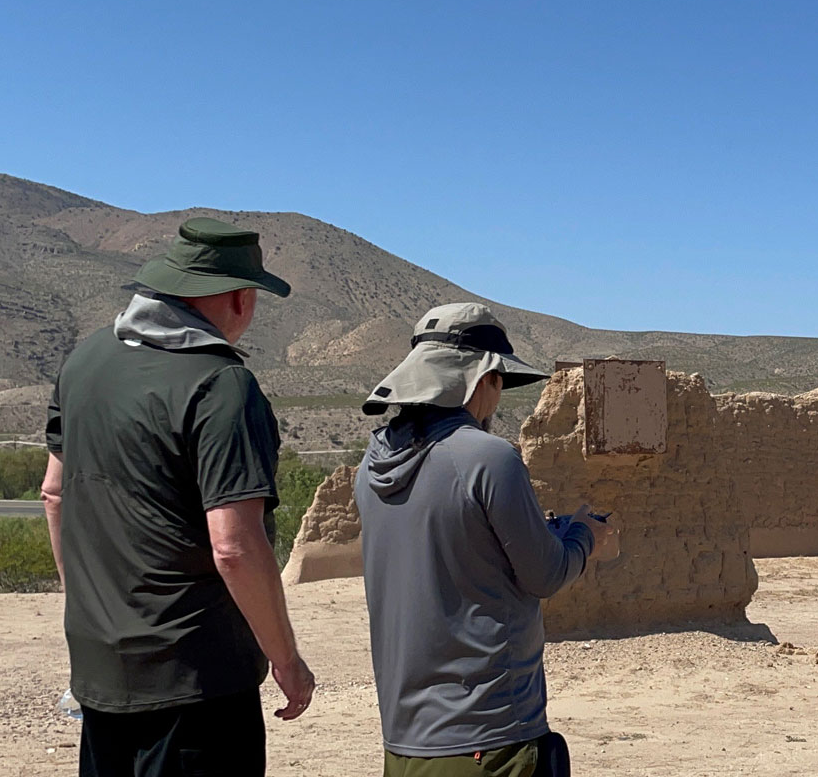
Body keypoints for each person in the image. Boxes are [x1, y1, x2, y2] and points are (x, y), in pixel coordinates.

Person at [42, 217, 315, 777]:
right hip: (197, 681)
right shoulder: (220, 385)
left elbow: (53, 494)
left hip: (99, 668)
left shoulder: (85, 361)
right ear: (240, 298)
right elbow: (235, 547)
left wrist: (92, 605)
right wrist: (285, 659)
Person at [356, 302, 621, 777]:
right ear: (484, 380)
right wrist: (584, 537)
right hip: (491, 738)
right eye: (498, 382)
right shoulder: (488, 458)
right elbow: (546, 574)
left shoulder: (372, 464)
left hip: (405, 743)